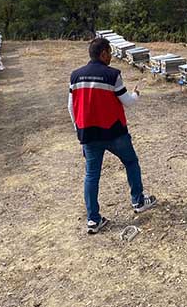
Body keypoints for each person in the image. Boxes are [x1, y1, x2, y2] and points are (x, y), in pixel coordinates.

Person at [68, 37, 157, 234]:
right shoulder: (112, 75)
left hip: (89, 134)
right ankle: (138, 201)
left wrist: (79, 129)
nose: (110, 56)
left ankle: (93, 219)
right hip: (114, 132)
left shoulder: (75, 76)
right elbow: (127, 102)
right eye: (109, 52)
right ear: (103, 54)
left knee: (91, 175)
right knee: (131, 162)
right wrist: (136, 95)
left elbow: (71, 106)